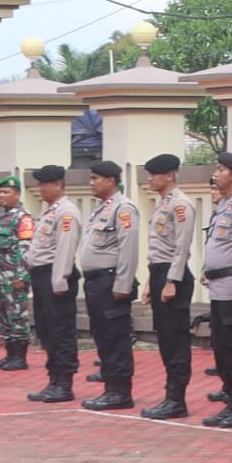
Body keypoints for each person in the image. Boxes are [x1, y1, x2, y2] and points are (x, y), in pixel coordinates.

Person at [180, 152, 232, 427]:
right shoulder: (225, 205)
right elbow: (218, 244)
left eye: (221, 169)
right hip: (218, 287)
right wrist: (207, 269)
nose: (215, 173)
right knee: (223, 349)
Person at [133, 154, 198, 421]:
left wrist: (172, 281)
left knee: (175, 340)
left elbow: (181, 247)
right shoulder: (163, 203)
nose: (149, 179)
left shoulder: (181, 204)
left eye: (154, 175)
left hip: (174, 276)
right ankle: (170, 396)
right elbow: (159, 249)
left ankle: (176, 399)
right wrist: (152, 281)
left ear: (169, 175)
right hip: (160, 273)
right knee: (165, 339)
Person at [73, 159, 142, 410]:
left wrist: (123, 285)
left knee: (116, 338)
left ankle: (120, 392)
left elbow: (128, 249)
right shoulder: (102, 208)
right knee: (102, 337)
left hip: (111, 281)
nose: (91, 183)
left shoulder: (123, 209)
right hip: (96, 282)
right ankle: (111, 387)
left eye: (95, 178)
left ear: (111, 181)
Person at [24, 165, 81, 402]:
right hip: (41, 276)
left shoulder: (66, 212)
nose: (40, 188)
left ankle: (64, 383)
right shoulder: (49, 211)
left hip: (55, 276)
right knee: (46, 330)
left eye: (43, 184)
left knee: (61, 331)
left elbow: (65, 248)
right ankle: (54, 379)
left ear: (57, 184)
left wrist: (60, 280)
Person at [0, 172, 33, 371]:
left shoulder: (22, 218)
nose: (1, 196)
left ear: (17, 193)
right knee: (1, 316)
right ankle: (9, 354)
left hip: (13, 277)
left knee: (17, 316)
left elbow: (26, 249)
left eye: (6, 192)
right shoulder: (0, 216)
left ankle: (20, 357)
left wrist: (22, 276)